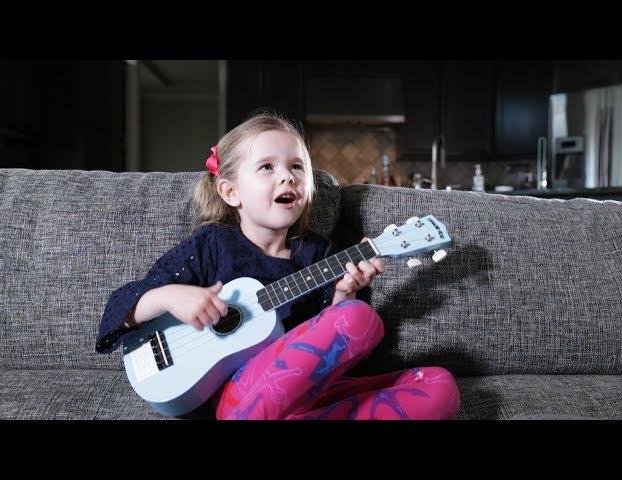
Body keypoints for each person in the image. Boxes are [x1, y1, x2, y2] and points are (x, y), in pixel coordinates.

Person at [95, 111, 460, 420]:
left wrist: (345, 293)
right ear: (230, 192)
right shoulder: (210, 246)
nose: (287, 177)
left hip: (304, 395)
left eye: (297, 167)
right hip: (233, 395)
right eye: (267, 167)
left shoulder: (317, 255)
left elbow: (334, 355)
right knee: (359, 320)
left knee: (440, 386)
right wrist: (171, 297)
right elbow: (119, 309)